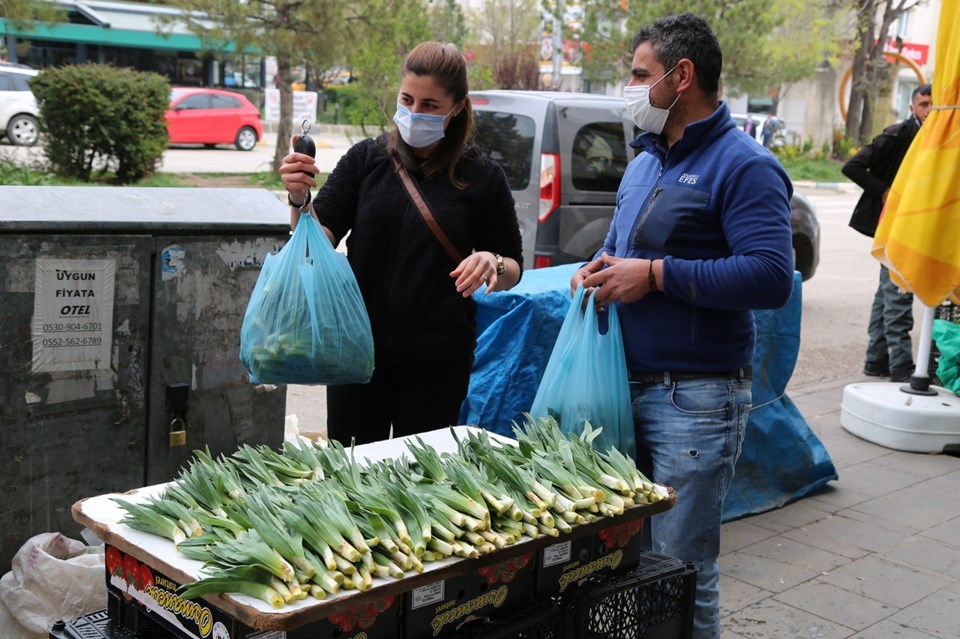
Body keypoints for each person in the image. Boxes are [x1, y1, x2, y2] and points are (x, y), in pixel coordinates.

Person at [571, 14, 794, 638]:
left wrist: (658, 275)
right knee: (626, 564)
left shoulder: (745, 166)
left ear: (682, 76)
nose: (631, 86)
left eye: (640, 74)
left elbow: (771, 276)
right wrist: (598, 272)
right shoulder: (645, 161)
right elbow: (622, 252)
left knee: (681, 572)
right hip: (624, 387)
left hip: (694, 401)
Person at [279, 41, 523, 446]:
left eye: (430, 105)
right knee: (353, 482)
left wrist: (491, 261)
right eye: (407, 99)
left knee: (423, 488)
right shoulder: (366, 160)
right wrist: (299, 198)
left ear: (457, 107)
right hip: (357, 353)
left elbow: (514, 266)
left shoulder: (482, 176)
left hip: (438, 363)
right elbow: (314, 242)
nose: (414, 113)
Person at [842, 83, 932, 383]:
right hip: (896, 226)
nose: (929, 110)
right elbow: (852, 166)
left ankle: (876, 359)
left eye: (933, 104)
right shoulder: (899, 134)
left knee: (886, 292)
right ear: (912, 107)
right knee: (897, 292)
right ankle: (902, 366)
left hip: (912, 225)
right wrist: (885, 191)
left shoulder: (934, 136)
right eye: (924, 105)